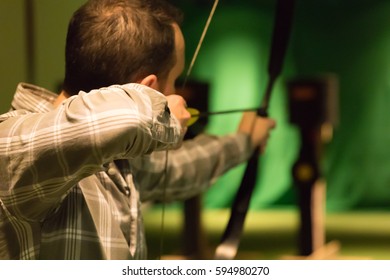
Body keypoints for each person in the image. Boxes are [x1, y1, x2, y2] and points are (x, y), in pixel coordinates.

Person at [0, 0, 276, 259]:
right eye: (174, 80)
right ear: (150, 87)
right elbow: (124, 119)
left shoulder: (111, 156)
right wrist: (166, 115)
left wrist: (245, 141)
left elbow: (178, 168)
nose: (176, 93)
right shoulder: (15, 146)